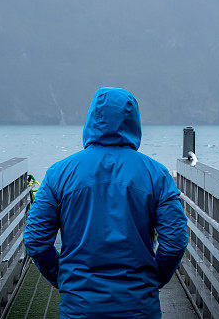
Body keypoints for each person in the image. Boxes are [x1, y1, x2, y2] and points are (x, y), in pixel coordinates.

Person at [24, 87, 188, 318]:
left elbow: (35, 239)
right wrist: (155, 277)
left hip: (79, 305)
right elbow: (176, 241)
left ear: (91, 119)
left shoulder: (58, 173)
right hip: (139, 305)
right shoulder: (156, 174)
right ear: (133, 121)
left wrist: (63, 278)